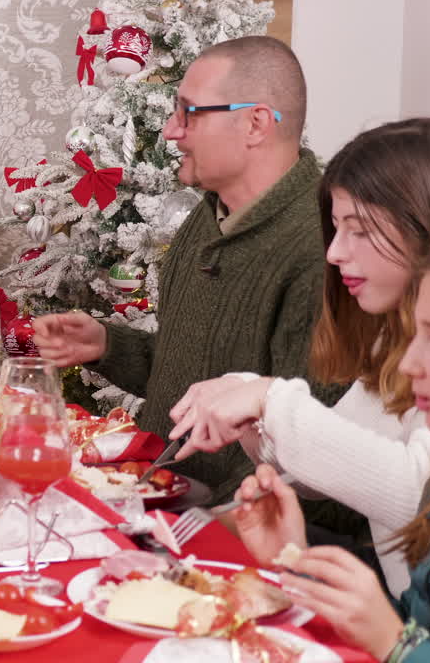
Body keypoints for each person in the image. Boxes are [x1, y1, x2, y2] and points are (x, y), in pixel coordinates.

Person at [167, 119, 430, 595]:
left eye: (360, 230)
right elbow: (335, 467)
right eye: (336, 229)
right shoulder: (392, 340)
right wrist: (254, 420)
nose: (333, 253)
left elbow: (419, 495)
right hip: (406, 615)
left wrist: (269, 399)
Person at [31, 35, 336, 504]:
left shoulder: (320, 249)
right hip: (159, 494)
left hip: (227, 523)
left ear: (255, 124)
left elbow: (306, 442)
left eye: (189, 112)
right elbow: (193, 377)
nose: (172, 130)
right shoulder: (209, 214)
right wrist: (107, 345)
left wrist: (194, 520)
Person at [233, 240, 430, 662]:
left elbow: (406, 639)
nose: (411, 364)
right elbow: (422, 624)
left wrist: (395, 644)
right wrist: (298, 563)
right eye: (416, 336)